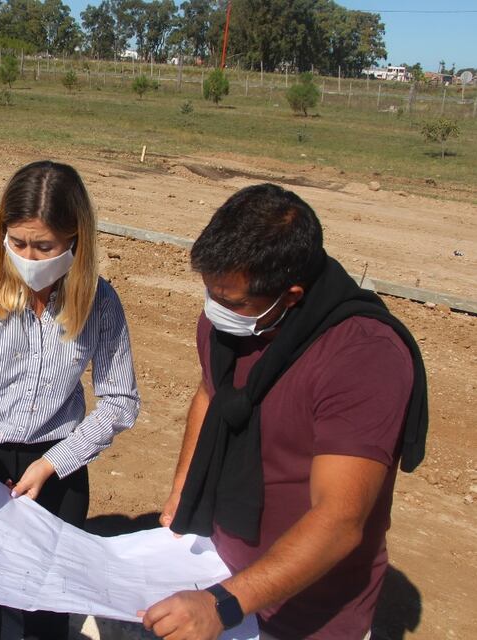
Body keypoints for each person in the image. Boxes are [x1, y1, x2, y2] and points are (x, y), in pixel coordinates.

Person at [141, 183, 428, 639]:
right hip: (215, 572)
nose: (216, 311)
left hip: (306, 611)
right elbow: (210, 393)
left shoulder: (363, 357)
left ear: (291, 295)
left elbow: (338, 520)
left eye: (232, 302)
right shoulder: (228, 324)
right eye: (210, 294)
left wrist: (225, 603)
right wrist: (183, 487)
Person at [0, 160, 140, 640]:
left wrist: (55, 462)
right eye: (17, 243)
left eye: (45, 246)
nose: (29, 257)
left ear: (75, 240)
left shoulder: (99, 302)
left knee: (47, 611)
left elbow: (120, 401)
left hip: (56, 472)